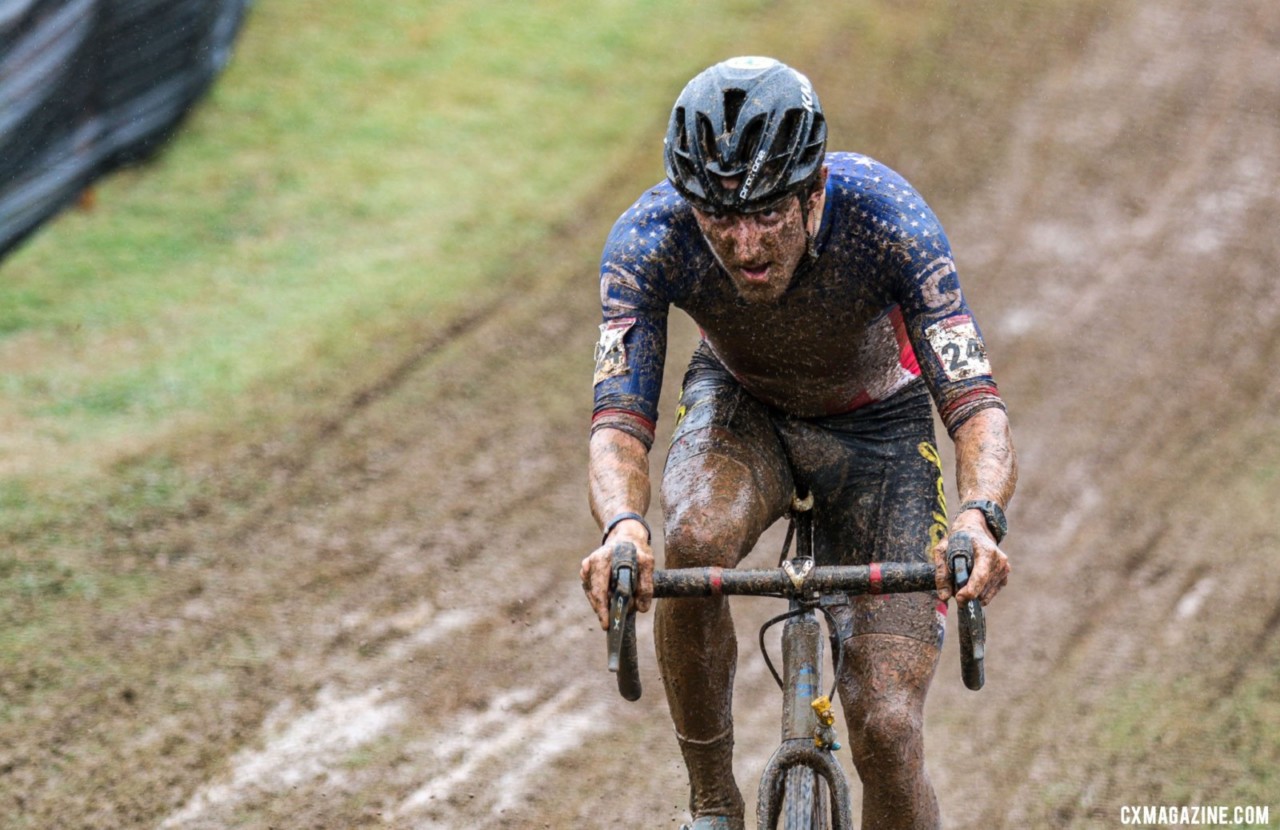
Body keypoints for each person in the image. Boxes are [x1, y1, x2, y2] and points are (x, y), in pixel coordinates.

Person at [580, 56, 1017, 830]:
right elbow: (618, 420)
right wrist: (622, 527)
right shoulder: (649, 237)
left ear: (816, 191)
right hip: (744, 407)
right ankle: (713, 801)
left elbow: (976, 403)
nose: (744, 245)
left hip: (883, 427)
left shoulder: (889, 216)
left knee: (884, 727)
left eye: (768, 214)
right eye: (719, 216)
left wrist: (980, 515)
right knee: (693, 534)